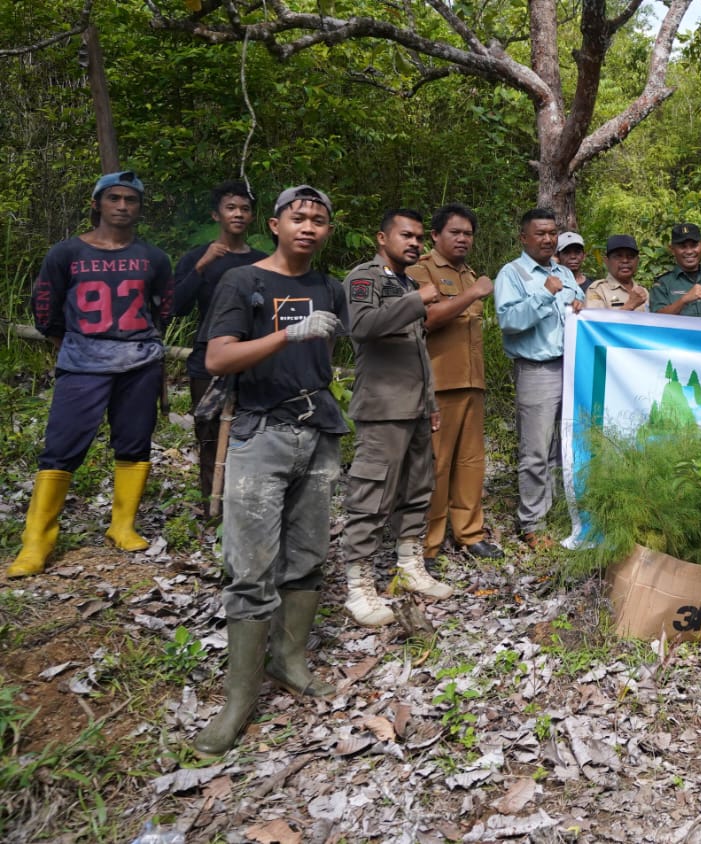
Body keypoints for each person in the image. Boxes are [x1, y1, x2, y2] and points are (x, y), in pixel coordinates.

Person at [191, 185, 345, 755]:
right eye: (297, 217)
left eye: (319, 220)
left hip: (318, 430)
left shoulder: (326, 287)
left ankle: (291, 661)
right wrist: (287, 333)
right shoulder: (244, 281)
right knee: (250, 566)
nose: (308, 226)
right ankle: (238, 700)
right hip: (260, 434)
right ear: (275, 225)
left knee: (307, 557)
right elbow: (216, 357)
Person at [9, 171, 173, 578]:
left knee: (134, 442)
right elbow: (45, 301)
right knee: (61, 448)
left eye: (130, 200)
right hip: (82, 362)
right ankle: (37, 541)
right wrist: (62, 341)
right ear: (97, 203)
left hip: (138, 362)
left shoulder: (154, 257)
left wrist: (146, 343)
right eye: (114, 198)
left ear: (139, 208)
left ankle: (122, 525)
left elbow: (164, 306)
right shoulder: (66, 253)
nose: (122, 206)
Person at [339, 209, 450, 627]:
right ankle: (359, 585)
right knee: (372, 495)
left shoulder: (405, 282)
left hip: (417, 407)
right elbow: (362, 325)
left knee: (418, 488)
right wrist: (415, 301)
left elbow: (418, 351)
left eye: (420, 237)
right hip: (383, 407)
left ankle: (409, 563)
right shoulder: (365, 278)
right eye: (406, 235)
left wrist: (432, 403)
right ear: (381, 237)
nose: (415, 243)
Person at [410, 204, 502, 569]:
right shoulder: (422, 270)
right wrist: (474, 294)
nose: (463, 239)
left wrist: (472, 288)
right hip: (437, 384)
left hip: (471, 382)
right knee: (436, 464)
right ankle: (427, 545)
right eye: (455, 232)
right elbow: (427, 319)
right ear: (435, 235)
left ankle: (469, 533)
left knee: (470, 463)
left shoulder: (470, 274)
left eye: (468, 233)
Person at [173, 180, 267, 510]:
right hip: (207, 358)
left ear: (252, 216)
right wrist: (201, 266)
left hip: (253, 359)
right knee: (208, 431)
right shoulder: (197, 257)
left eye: (244, 209)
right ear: (217, 215)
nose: (238, 214)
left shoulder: (263, 261)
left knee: (254, 432)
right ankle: (211, 506)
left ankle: (244, 505)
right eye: (231, 208)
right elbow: (175, 307)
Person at [497, 208, 583, 545]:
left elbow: (579, 307)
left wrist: (581, 305)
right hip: (537, 370)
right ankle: (531, 523)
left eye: (552, 233)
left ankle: (556, 514)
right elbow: (509, 321)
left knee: (562, 448)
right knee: (535, 450)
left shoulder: (565, 271)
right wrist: (545, 293)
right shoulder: (512, 273)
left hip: (571, 367)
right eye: (540, 233)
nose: (548, 239)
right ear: (524, 238)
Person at [650, 223, 701, 318]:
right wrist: (683, 300)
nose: (689, 251)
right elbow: (657, 319)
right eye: (683, 247)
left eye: (694, 245)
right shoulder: (663, 284)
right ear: (672, 249)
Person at [585, 234, 649, 312]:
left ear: (637, 261)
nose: (625, 260)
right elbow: (596, 323)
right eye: (618, 256)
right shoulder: (598, 290)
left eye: (630, 256)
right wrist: (631, 305)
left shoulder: (644, 292)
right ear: (606, 261)